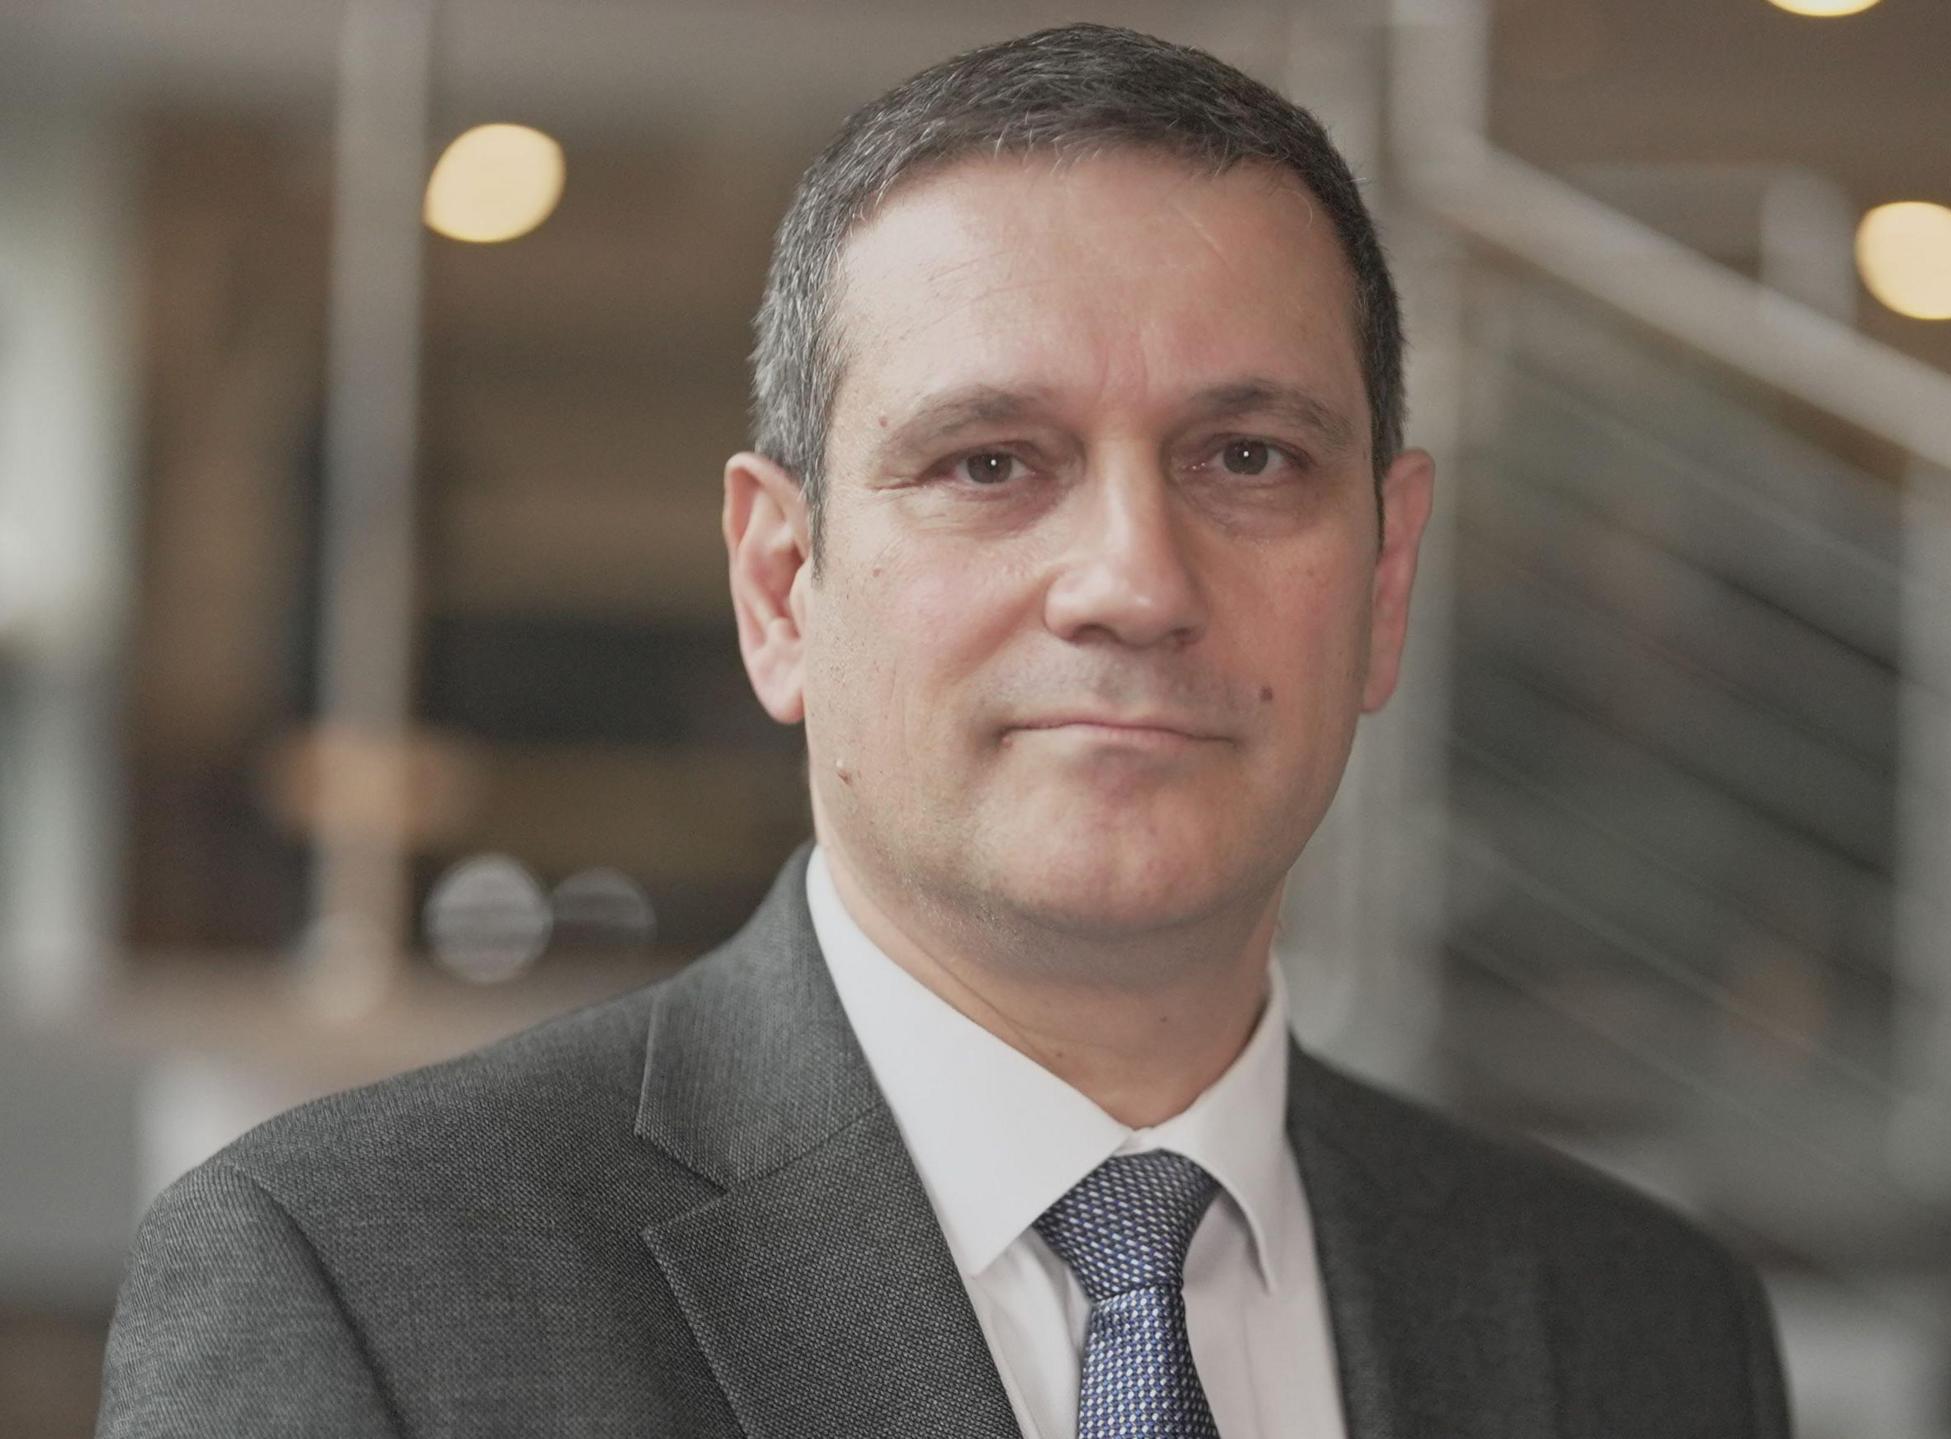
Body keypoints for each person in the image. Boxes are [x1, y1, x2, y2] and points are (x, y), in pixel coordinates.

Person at [96, 24, 1789, 1438]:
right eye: (991, 463)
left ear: (1387, 577)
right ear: (781, 587)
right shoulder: (358, 1285)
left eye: (1249, 459)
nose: (1133, 582)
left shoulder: (1641, 1331)